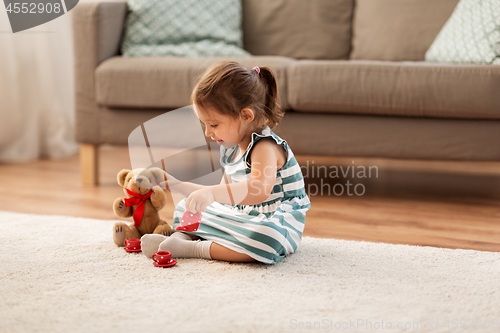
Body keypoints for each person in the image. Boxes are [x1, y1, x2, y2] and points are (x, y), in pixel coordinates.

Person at [141, 61, 311, 264]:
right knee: (186, 206)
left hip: (275, 221)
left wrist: (211, 193)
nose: (207, 132)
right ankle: (179, 239)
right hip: (243, 216)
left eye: (213, 124)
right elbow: (223, 194)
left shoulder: (265, 146)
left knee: (265, 238)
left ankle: (193, 247)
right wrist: (175, 184)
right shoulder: (231, 149)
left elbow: (258, 190)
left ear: (246, 116)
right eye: (204, 124)